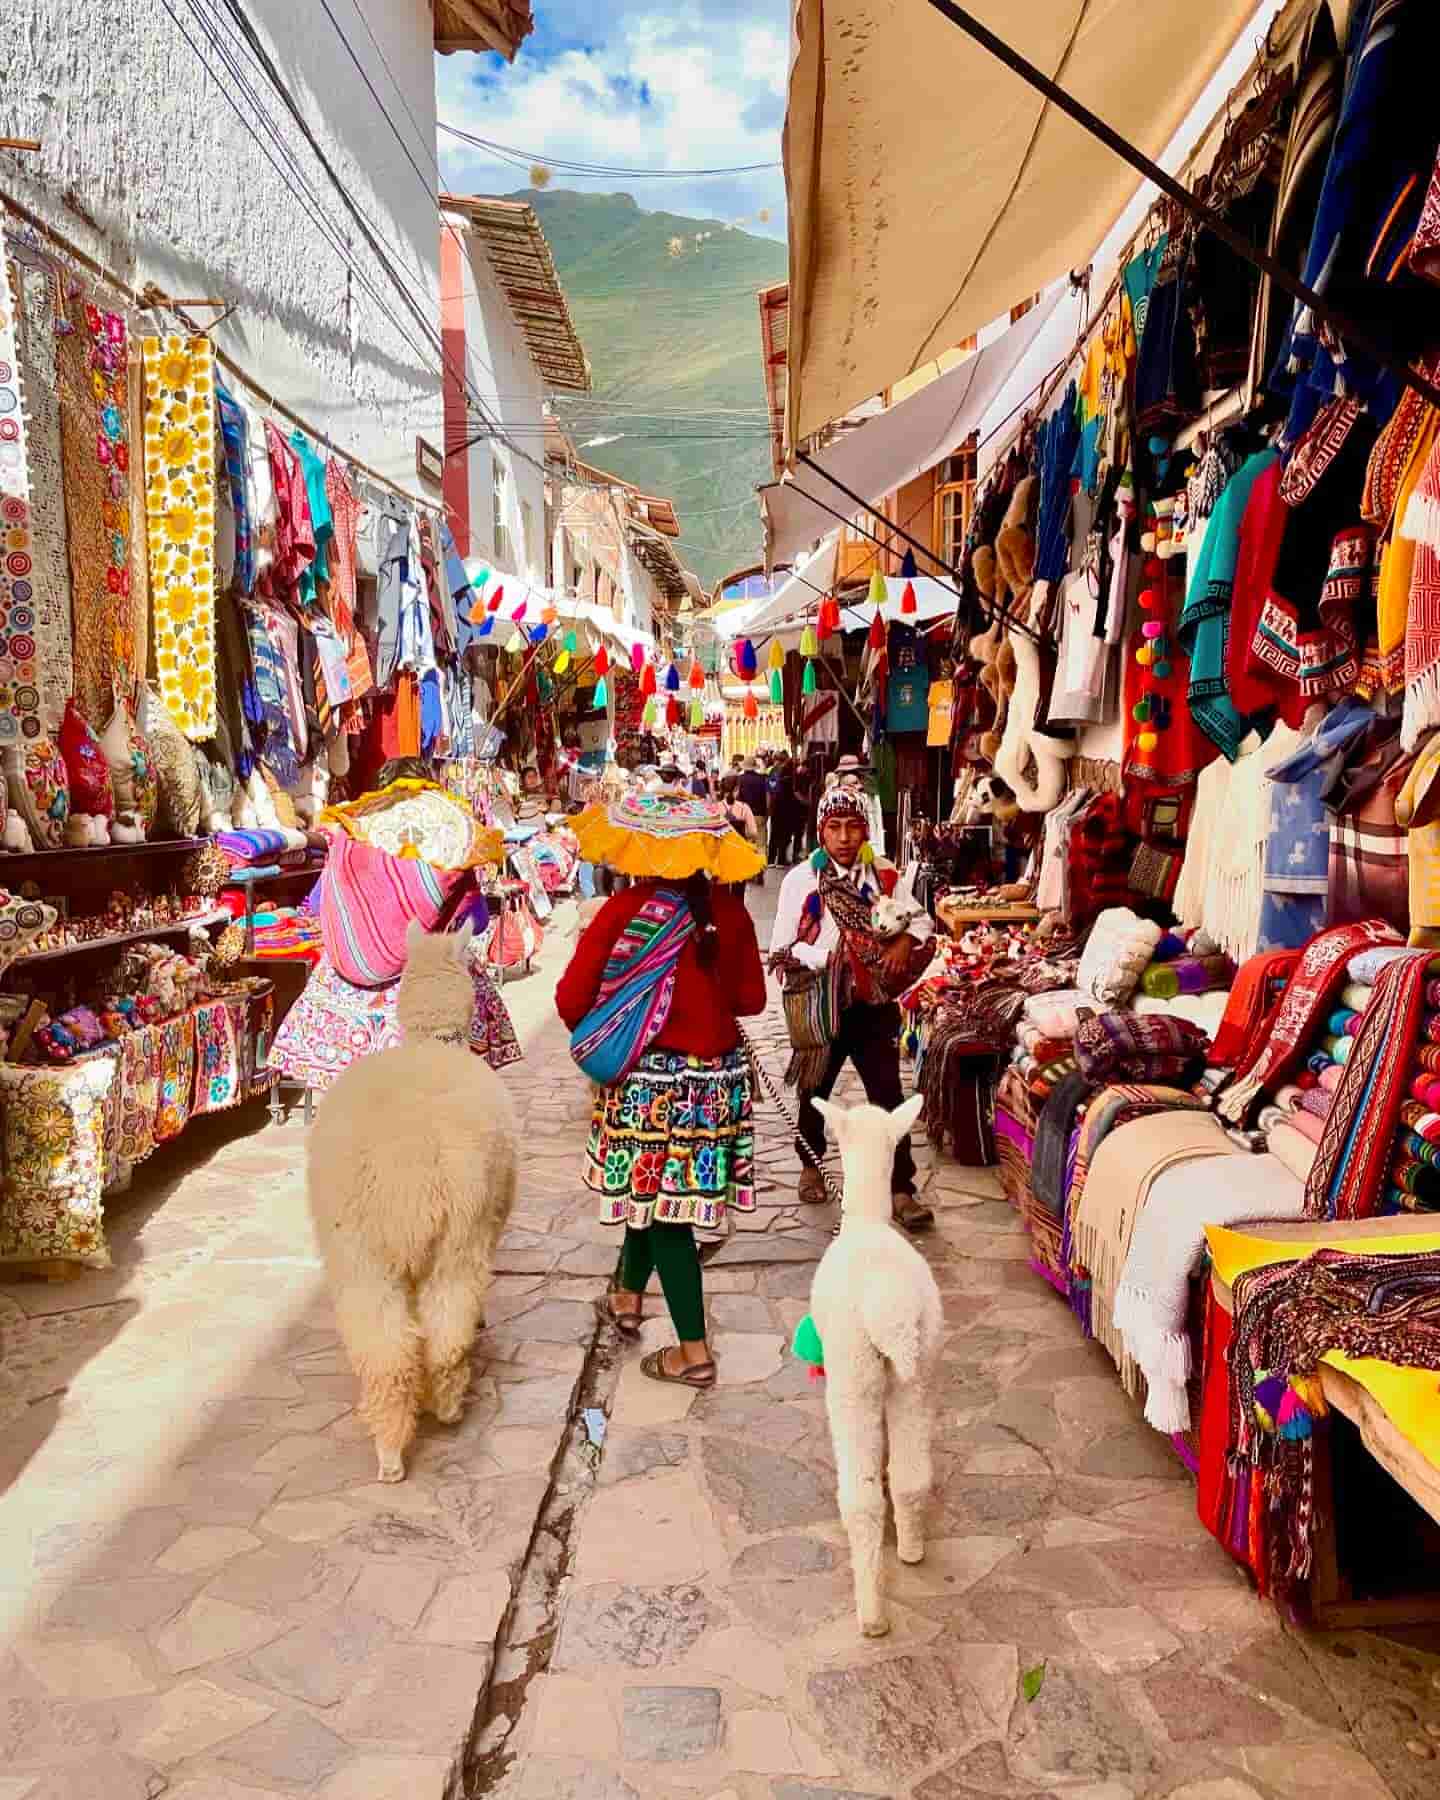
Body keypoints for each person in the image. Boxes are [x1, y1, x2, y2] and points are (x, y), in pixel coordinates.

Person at [557, 790, 766, 1388]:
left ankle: (693, 1353)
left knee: (667, 1215)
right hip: (715, 1089)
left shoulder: (622, 911)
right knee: (650, 1194)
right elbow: (751, 999)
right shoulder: (729, 914)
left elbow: (569, 1001)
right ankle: (627, 1294)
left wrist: (628, 1014)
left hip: (647, 1089)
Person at [770, 784, 936, 1231]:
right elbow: (782, 946)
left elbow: (921, 920)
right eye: (834, 827)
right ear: (821, 832)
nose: (843, 837)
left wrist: (903, 941)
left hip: (872, 1004)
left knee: (888, 1095)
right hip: (820, 1001)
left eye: (852, 827)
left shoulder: (883, 876)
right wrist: (828, 958)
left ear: (865, 830)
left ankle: (901, 1189)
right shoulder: (801, 881)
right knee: (814, 1089)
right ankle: (810, 1164)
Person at [720, 774, 763, 887]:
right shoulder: (744, 808)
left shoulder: (716, 807)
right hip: (739, 852)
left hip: (722, 853)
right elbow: (753, 832)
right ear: (736, 789)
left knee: (722, 887)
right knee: (738, 888)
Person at [767, 755, 798, 865]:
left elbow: (770, 791)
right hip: (787, 809)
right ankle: (781, 860)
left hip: (776, 807)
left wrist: (769, 807)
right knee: (784, 835)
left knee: (774, 834)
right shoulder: (791, 776)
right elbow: (794, 794)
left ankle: (771, 860)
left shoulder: (773, 773)